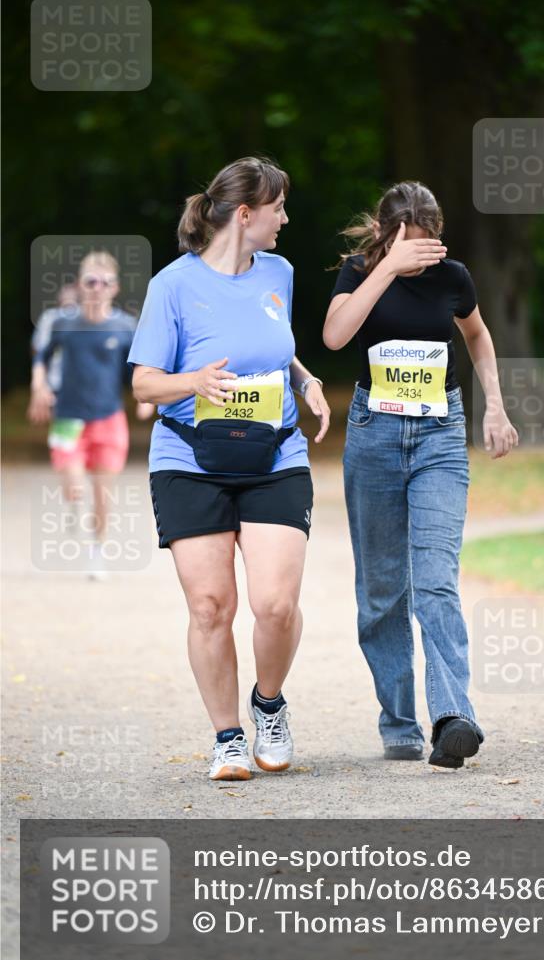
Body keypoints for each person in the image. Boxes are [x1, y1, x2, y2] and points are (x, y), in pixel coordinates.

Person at [129, 156, 330, 782]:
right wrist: (195, 381)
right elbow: (144, 383)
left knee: (275, 604)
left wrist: (307, 378)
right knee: (212, 605)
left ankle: (269, 705)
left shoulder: (280, 271)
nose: (286, 218)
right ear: (246, 214)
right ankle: (227, 738)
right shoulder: (172, 286)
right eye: (279, 207)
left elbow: (279, 344)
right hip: (190, 458)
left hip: (274, 453)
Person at [324, 180, 518, 768]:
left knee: (435, 579)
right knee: (383, 592)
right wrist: (386, 269)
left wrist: (496, 406)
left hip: (439, 434)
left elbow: (478, 336)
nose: (422, 252)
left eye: (429, 241)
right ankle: (399, 720)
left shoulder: (452, 275)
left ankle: (454, 718)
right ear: (386, 232)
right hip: (374, 436)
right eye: (410, 241)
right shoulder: (359, 271)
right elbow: (335, 336)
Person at [29, 251, 154, 577]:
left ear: (114, 288)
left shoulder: (125, 327)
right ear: (81, 285)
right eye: (91, 282)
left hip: (109, 419)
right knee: (74, 486)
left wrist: (146, 397)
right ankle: (72, 501)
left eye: (105, 282)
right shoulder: (63, 323)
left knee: (102, 492)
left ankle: (96, 552)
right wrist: (38, 386)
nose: (97, 288)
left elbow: (139, 370)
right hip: (67, 419)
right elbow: (41, 357)